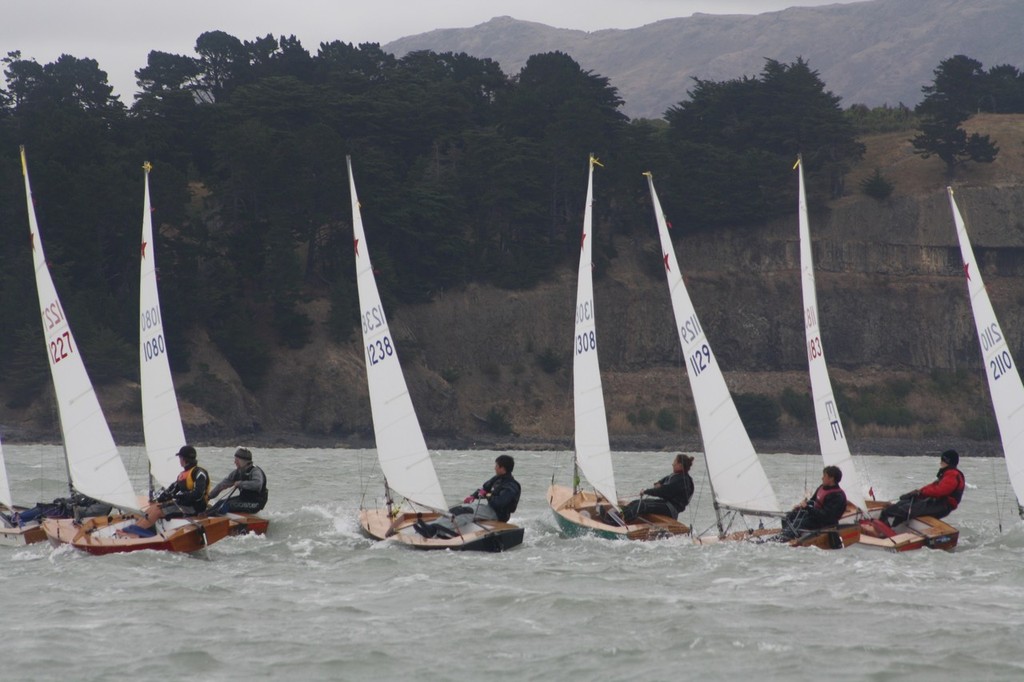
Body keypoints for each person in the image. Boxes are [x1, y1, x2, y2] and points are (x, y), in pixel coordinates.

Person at [414, 454, 521, 539]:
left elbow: (499, 503)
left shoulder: (511, 486)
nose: (495, 468)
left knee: (466, 513)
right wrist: (473, 496)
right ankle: (431, 527)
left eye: (496, 466)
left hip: (498, 514)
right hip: (489, 509)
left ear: (503, 469)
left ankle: (433, 530)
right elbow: (484, 489)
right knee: (457, 509)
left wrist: (487, 495)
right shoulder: (497, 479)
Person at [118, 445, 210, 537]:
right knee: (154, 507)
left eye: (180, 458)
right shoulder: (183, 475)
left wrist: (180, 496)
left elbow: (198, 494)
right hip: (183, 504)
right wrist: (162, 497)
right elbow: (172, 489)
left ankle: (134, 533)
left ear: (183, 459)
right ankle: (133, 529)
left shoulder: (199, 473)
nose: (179, 460)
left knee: (157, 512)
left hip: (195, 508)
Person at [880, 449, 965, 528]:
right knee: (903, 503)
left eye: (942, 460)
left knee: (904, 509)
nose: (940, 463)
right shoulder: (948, 473)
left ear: (947, 461)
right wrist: (916, 493)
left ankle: (881, 529)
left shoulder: (952, 474)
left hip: (942, 506)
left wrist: (921, 493)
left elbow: (940, 491)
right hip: (936, 502)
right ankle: (892, 527)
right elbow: (932, 487)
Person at [618, 453, 695, 523]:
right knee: (636, 502)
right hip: (665, 503)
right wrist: (659, 483)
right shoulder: (675, 476)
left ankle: (621, 522)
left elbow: (663, 491)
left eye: (675, 462)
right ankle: (618, 516)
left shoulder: (683, 480)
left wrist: (647, 491)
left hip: (671, 509)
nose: (672, 464)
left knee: (642, 505)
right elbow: (662, 482)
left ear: (680, 465)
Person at [779, 465, 848, 540]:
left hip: (825, 523)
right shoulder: (822, 487)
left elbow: (826, 516)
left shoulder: (837, 496)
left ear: (831, 478)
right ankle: (787, 535)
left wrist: (808, 508)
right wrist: (801, 506)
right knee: (787, 517)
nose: (822, 478)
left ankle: (786, 538)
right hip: (814, 516)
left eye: (824, 476)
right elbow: (812, 501)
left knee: (799, 522)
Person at [208, 447, 269, 515]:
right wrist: (209, 496)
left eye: (237, 460)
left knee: (224, 507)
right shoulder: (237, 472)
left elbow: (257, 485)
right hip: (243, 499)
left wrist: (240, 483)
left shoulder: (255, 471)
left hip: (256, 503)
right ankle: (205, 516)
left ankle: (216, 521)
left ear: (243, 461)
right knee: (219, 503)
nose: (235, 462)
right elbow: (222, 484)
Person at [1, 492, 111, 527]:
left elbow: (87, 512)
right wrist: (64, 501)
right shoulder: (95, 494)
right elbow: (79, 498)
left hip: (71, 515)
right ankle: (17, 518)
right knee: (43, 507)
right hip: (68, 511)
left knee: (42, 510)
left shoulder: (105, 504)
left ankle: (15, 519)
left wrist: (72, 506)